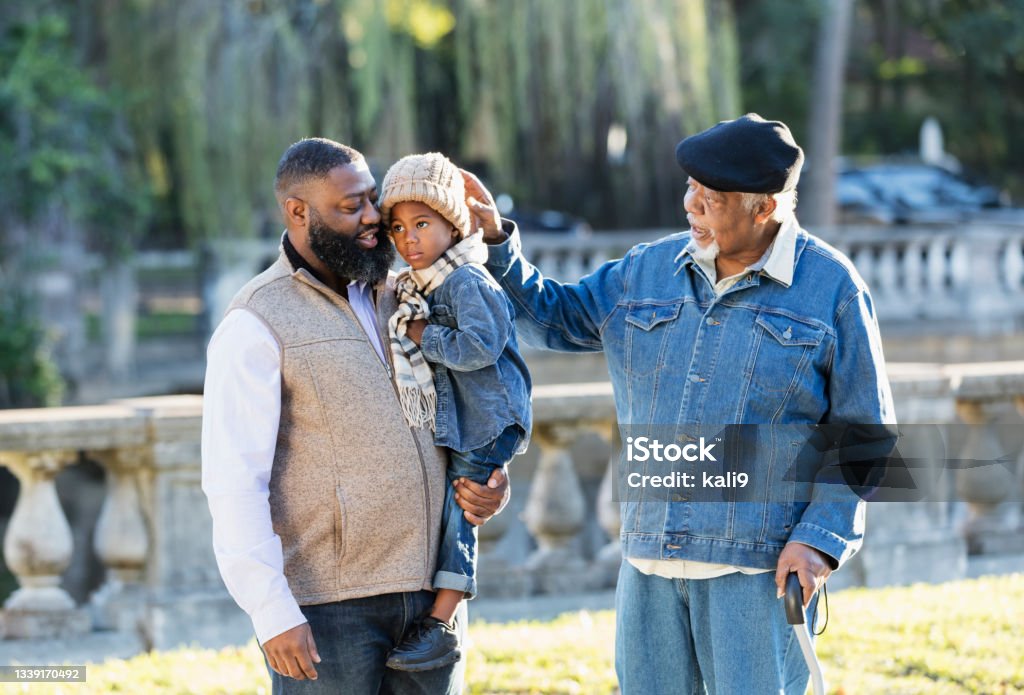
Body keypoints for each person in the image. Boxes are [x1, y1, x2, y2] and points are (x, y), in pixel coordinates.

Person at [469, 114, 895, 694]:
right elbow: (554, 318)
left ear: (764, 208)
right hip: (647, 566)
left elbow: (865, 435)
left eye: (711, 197)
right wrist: (496, 242)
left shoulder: (832, 289)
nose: (691, 204)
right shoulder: (646, 269)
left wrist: (820, 539)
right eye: (690, 186)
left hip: (758, 573)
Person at [201, 137, 510, 695]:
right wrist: (273, 613)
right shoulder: (254, 321)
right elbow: (232, 482)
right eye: (351, 207)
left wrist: (489, 480)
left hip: (429, 601)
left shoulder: (411, 296)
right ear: (298, 212)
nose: (374, 219)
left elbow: (478, 383)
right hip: (326, 612)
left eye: (373, 201)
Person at [372, 152, 532, 671]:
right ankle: (440, 615)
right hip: (471, 414)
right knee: (455, 504)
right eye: (397, 227)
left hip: (489, 416)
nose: (407, 239)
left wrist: (421, 332)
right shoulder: (422, 284)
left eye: (422, 224)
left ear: (452, 225)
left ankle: (442, 621)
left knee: (463, 510)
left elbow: (480, 347)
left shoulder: (466, 280)